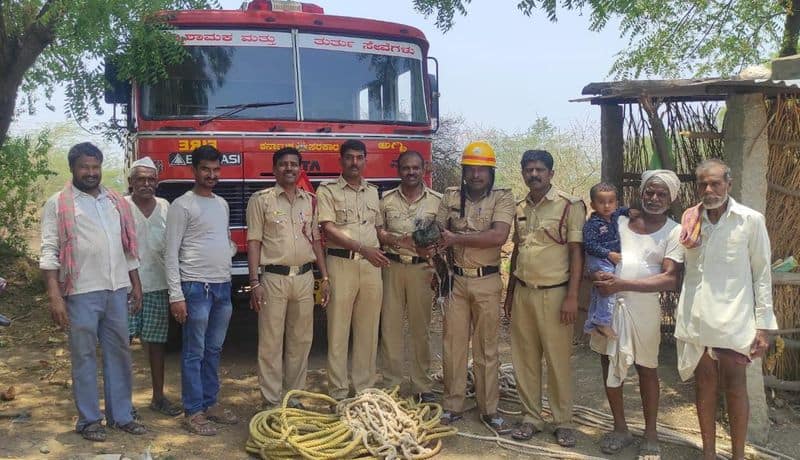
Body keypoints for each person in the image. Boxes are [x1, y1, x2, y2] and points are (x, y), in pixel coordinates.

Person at [40, 142, 147, 441]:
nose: (91, 173)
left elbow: (127, 248)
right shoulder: (59, 203)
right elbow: (50, 251)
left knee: (120, 354)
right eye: (85, 167)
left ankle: (121, 416)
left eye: (95, 167)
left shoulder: (115, 202)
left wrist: (135, 283)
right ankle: (88, 420)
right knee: (84, 356)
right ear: (73, 168)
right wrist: (54, 296)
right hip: (80, 292)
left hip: (116, 289)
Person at [674, 159, 779, 460]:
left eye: (715, 183)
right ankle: (708, 453)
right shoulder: (690, 221)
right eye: (703, 184)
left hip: (735, 319)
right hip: (697, 318)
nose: (709, 189)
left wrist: (763, 325)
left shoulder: (749, 220)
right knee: (704, 384)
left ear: (728, 185)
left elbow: (761, 273)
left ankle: (737, 455)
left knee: (735, 387)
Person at [589, 169, 683, 458]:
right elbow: (594, 251)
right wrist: (598, 277)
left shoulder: (674, 231)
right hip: (608, 302)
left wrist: (623, 283)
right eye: (650, 192)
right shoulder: (619, 220)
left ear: (671, 197)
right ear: (641, 192)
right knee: (608, 360)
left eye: (661, 193)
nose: (654, 198)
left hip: (644, 307)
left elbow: (671, 279)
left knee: (647, 367)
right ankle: (620, 428)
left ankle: (651, 433)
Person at [504, 150, 586, 447]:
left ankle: (563, 421)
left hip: (556, 294)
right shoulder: (519, 207)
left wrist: (573, 297)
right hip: (524, 292)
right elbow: (518, 250)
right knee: (524, 359)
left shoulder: (569, 206)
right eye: (529, 170)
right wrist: (511, 291)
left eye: (539, 169)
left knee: (557, 360)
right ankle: (531, 417)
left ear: (551, 173)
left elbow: (577, 253)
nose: (534, 175)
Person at [435, 140, 515, 433]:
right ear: (464, 171)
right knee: (453, 346)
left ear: (491, 173)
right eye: (471, 169)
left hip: (487, 280)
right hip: (455, 280)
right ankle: (452, 406)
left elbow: (498, 236)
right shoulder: (450, 195)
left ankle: (488, 408)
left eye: (482, 170)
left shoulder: (502, 198)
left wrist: (456, 238)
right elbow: (437, 231)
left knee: (486, 348)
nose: (476, 175)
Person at [246, 147, 330, 410]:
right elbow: (254, 242)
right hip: (273, 279)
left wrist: (324, 276)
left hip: (304, 278)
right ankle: (271, 401)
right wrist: (255, 282)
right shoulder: (261, 200)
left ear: (300, 168)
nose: (289, 168)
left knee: (300, 340)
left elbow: (316, 241)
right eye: (283, 164)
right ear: (275, 169)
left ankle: (292, 397)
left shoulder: (310, 200)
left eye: (294, 164)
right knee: (271, 342)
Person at [166, 145, 239, 435]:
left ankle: (211, 404)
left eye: (216, 169)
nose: (212, 175)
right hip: (195, 287)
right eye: (206, 169)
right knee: (194, 351)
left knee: (214, 349)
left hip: (222, 287)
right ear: (194, 170)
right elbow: (170, 253)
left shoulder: (221, 204)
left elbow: (224, 239)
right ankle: (194, 411)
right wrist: (177, 295)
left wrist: (226, 251)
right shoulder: (182, 205)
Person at [317, 140, 389, 399]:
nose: (354, 162)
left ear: (365, 160)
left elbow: (378, 229)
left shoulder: (373, 192)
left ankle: (364, 390)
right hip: (341, 264)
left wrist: (401, 240)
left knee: (368, 331)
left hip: (371, 267)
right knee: (338, 330)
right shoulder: (327, 190)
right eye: (349, 157)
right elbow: (327, 228)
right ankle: (337, 393)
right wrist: (363, 248)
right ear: (341, 160)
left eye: (359, 157)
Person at [377, 151, 441, 403]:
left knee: (420, 329)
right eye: (406, 168)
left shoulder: (437, 201)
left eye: (416, 167)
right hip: (391, 267)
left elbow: (443, 234)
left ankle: (422, 386)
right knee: (390, 328)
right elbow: (378, 231)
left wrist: (437, 264)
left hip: (422, 270)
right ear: (398, 170)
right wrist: (395, 239)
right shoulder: (385, 200)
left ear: (424, 168)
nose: (411, 172)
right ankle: (392, 384)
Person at [125, 157, 182, 418]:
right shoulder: (121, 207)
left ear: (157, 183)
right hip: (124, 287)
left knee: (157, 344)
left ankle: (158, 397)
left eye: (151, 179)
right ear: (130, 183)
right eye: (140, 179)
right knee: (122, 344)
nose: (146, 184)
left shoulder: (165, 206)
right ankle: (123, 401)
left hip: (159, 285)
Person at [582, 182, 629, 338]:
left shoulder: (617, 215)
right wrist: (609, 254)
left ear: (616, 203)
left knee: (598, 290)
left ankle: (591, 324)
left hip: (607, 258)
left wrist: (632, 211)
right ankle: (603, 321)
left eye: (611, 202)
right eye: (601, 202)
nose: (607, 206)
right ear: (593, 204)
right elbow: (589, 245)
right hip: (599, 258)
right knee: (608, 286)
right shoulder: (592, 224)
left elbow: (626, 210)